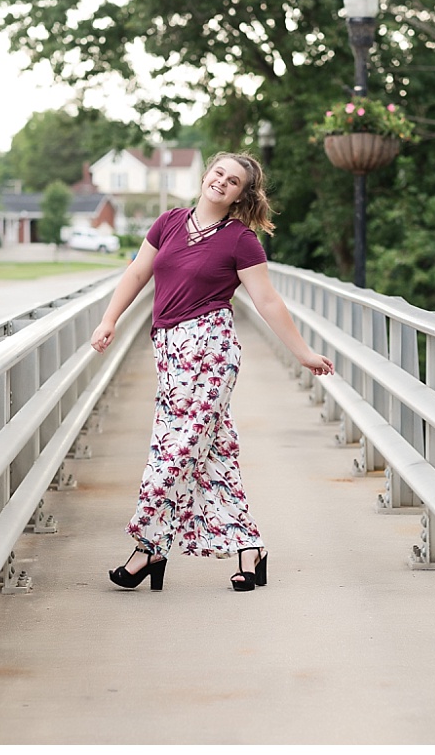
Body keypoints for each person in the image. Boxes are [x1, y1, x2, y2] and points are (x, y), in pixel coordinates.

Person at [91, 151, 335, 593]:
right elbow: (137, 272)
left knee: (176, 450)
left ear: (242, 195)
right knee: (214, 452)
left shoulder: (241, 240)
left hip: (210, 349)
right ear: (206, 175)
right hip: (167, 349)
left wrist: (302, 353)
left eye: (234, 181)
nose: (222, 182)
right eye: (218, 173)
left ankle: (148, 548)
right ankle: (249, 547)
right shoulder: (167, 222)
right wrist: (109, 319)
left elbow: (268, 301)